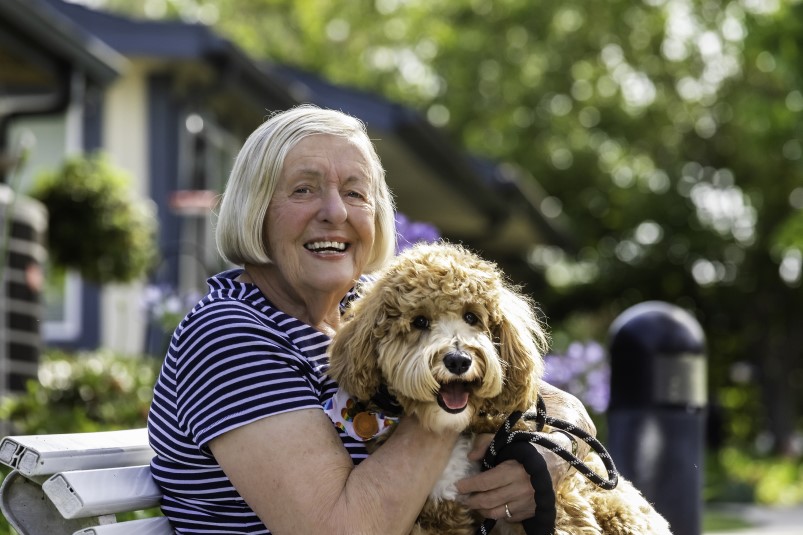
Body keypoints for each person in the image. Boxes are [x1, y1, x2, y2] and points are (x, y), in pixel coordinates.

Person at [147, 104, 594, 534]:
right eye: (304, 189)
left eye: (355, 193)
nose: (335, 212)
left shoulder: (368, 308)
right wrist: (440, 395)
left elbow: (535, 393)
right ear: (254, 208)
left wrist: (552, 450)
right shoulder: (229, 336)